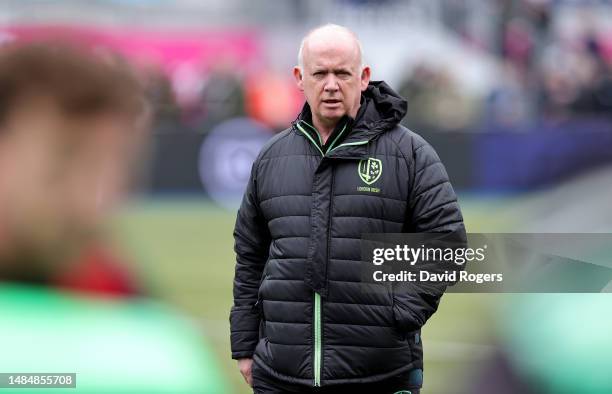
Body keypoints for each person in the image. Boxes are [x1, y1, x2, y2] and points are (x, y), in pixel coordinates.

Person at [230, 24, 466, 393]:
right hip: (281, 377)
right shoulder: (272, 156)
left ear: (364, 76)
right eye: (320, 73)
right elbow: (250, 255)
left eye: (342, 73)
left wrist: (400, 313)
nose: (331, 85)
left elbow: (446, 243)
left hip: (380, 376)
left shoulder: (410, 153)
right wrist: (245, 345)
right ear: (299, 78)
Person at [0, 42, 228, 393]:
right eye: (62, 163)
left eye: (108, 174)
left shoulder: (117, 299)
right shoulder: (148, 352)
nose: (90, 203)